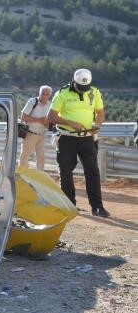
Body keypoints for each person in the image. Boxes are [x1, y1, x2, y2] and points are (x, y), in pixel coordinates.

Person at [48, 69, 110, 217]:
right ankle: (70, 205)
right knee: (66, 171)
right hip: (66, 138)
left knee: (93, 171)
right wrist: (70, 122)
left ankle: (97, 207)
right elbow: (51, 116)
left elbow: (100, 112)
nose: (83, 90)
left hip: (87, 138)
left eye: (85, 88)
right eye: (80, 88)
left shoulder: (94, 92)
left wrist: (98, 124)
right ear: (73, 81)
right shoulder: (62, 93)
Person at [18, 85, 53, 170]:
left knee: (41, 158)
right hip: (30, 133)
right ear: (39, 93)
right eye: (43, 93)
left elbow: (50, 121)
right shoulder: (32, 101)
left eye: (47, 94)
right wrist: (40, 120)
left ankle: (39, 178)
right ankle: (23, 176)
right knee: (24, 157)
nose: (44, 96)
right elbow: (23, 117)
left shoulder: (50, 105)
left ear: (50, 95)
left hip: (42, 134)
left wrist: (47, 124)